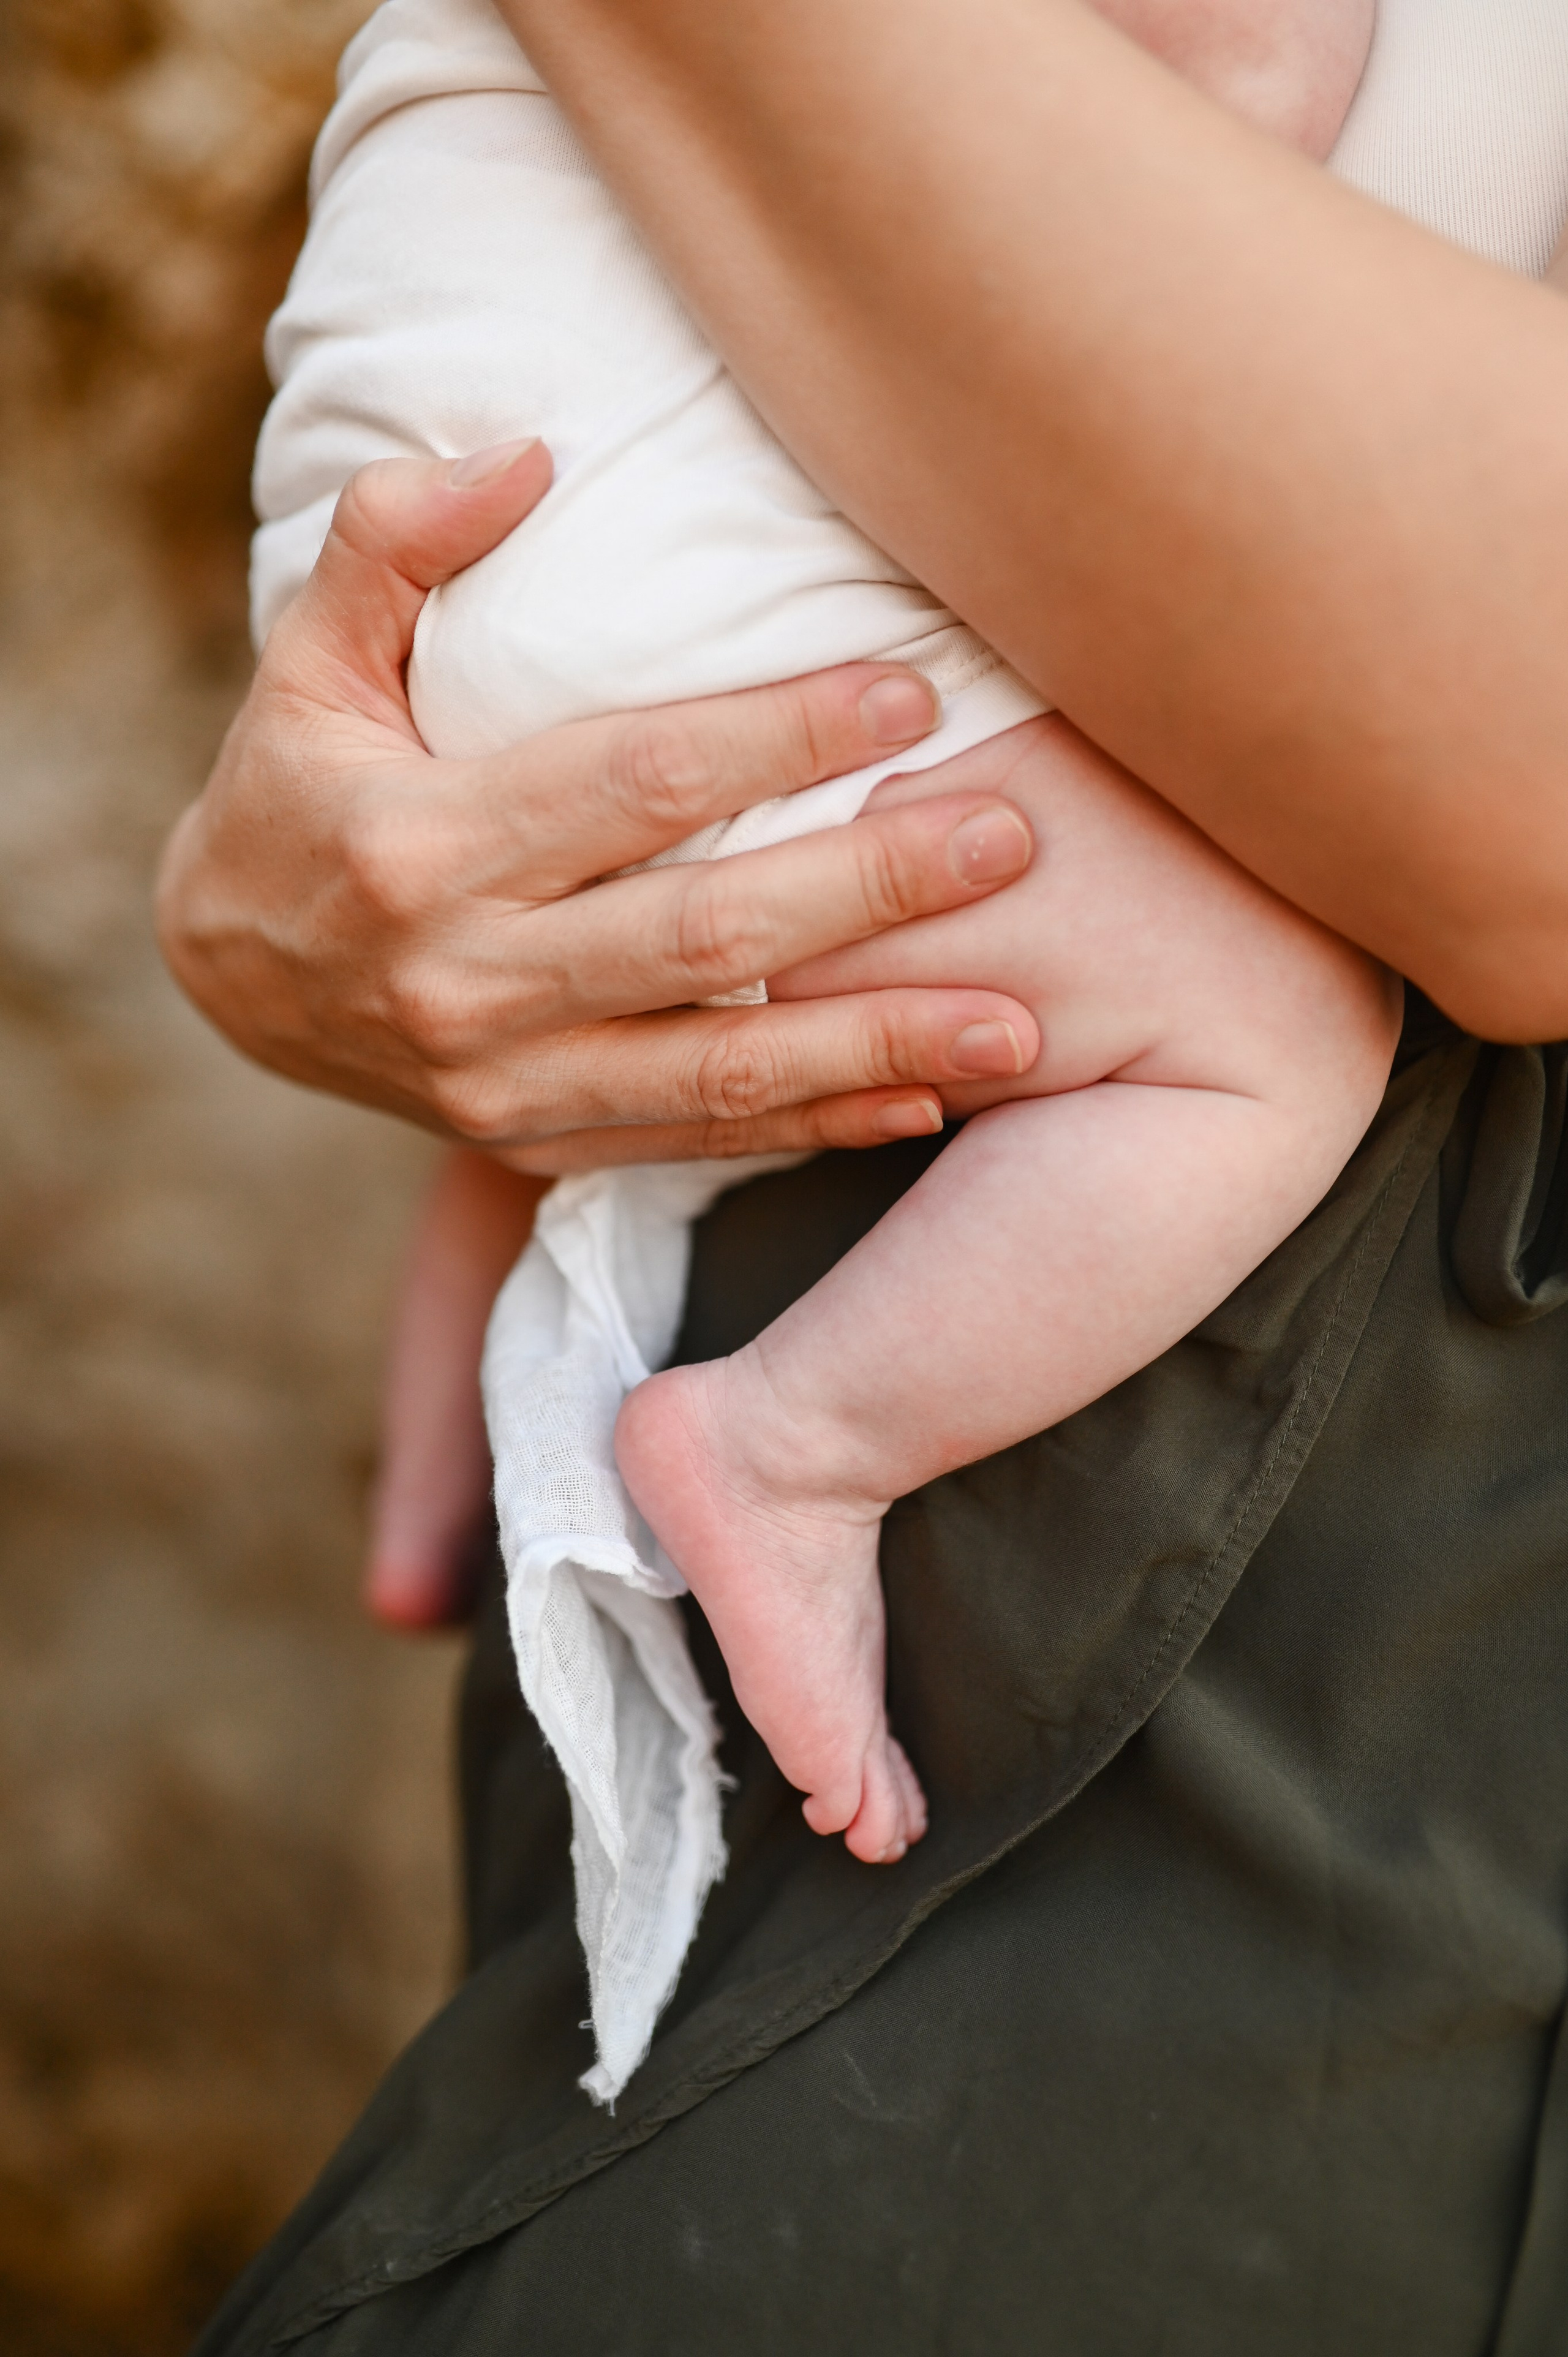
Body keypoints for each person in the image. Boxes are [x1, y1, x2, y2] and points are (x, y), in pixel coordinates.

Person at [164, 0, 1568, 2344]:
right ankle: (784, 1436)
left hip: (580, 534)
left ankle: (593, 1330)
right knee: (1251, 1040)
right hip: (721, 583)